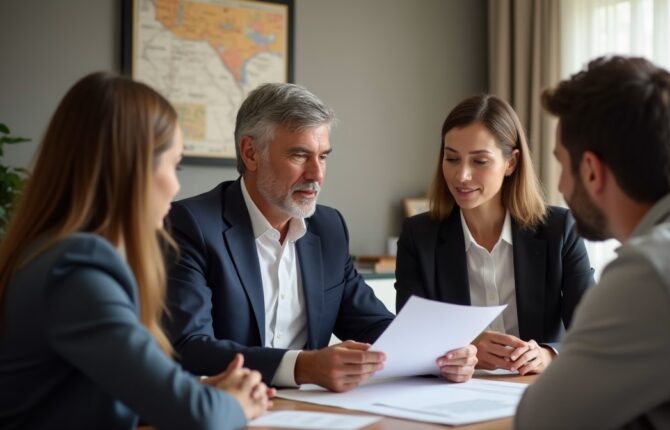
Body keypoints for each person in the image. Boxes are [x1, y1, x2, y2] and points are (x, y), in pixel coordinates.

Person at [164, 82, 478, 393]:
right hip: (228, 410)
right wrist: (304, 367)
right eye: (300, 155)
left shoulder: (328, 228)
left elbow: (371, 324)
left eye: (323, 156)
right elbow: (191, 347)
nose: (316, 174)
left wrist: (440, 354)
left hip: (313, 412)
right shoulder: (191, 225)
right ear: (250, 153)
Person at [0, 73, 272, 429]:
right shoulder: (76, 269)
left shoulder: (47, 253)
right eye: (175, 165)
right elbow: (199, 419)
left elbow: (101, 392)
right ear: (133, 168)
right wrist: (232, 403)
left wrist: (205, 392)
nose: (176, 186)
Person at [515, 56, 670, 428]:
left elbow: (539, 422)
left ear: (591, 171)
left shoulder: (654, 272)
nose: (560, 187)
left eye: (561, 166)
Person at [395, 95, 594, 376]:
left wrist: (549, 354)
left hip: (537, 388)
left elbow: (591, 330)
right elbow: (410, 336)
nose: (461, 175)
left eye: (479, 161)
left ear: (511, 163)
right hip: (454, 394)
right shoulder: (418, 236)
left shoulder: (559, 229)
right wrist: (465, 346)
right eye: (452, 158)